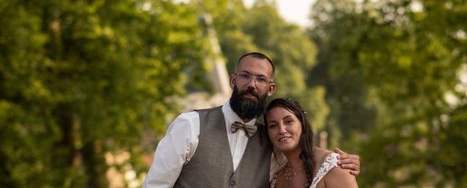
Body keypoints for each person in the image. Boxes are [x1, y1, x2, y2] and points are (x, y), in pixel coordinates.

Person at [143, 52, 360, 188]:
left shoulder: (272, 144)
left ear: (270, 88)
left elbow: (303, 158)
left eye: (260, 79)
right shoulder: (191, 125)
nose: (252, 84)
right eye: (245, 76)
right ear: (233, 80)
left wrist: (340, 161)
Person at [266, 98, 359, 188]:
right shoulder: (276, 176)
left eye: (288, 121)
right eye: (273, 125)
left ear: (302, 124)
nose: (281, 130)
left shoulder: (334, 165)